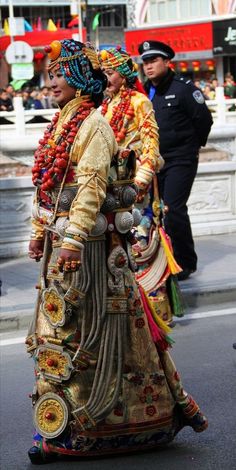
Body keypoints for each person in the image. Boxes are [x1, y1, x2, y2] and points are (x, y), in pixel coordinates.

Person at [26, 39, 207, 465]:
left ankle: (97, 428)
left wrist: (74, 238)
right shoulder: (65, 121)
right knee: (59, 331)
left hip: (89, 245)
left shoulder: (96, 123)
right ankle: (63, 425)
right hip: (66, 240)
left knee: (86, 332)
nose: (51, 83)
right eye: (51, 75)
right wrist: (40, 230)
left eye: (58, 75)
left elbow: (90, 185)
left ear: (77, 78)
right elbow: (50, 184)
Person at [99, 46, 183, 325]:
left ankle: (156, 313)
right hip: (110, 189)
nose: (105, 78)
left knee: (141, 244)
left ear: (123, 75)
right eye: (103, 73)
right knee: (115, 250)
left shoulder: (139, 102)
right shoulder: (104, 105)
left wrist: (140, 182)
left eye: (110, 72)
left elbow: (151, 146)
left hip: (136, 190)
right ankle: (127, 312)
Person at [138, 40, 213, 280]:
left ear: (167, 62)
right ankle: (160, 259)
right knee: (153, 211)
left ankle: (184, 262)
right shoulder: (145, 90)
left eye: (153, 61)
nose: (148, 67)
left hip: (181, 159)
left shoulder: (184, 89)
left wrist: (189, 148)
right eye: (145, 62)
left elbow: (204, 121)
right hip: (154, 161)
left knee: (173, 209)